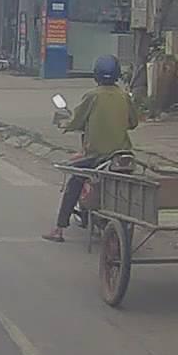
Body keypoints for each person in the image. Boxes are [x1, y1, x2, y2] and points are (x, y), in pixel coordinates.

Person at [44, 54, 139, 242]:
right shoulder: (124, 96)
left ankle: (59, 229)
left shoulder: (92, 96)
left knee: (74, 182)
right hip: (123, 156)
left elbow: (76, 121)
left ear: (96, 74)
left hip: (97, 156)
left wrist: (64, 124)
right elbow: (133, 123)